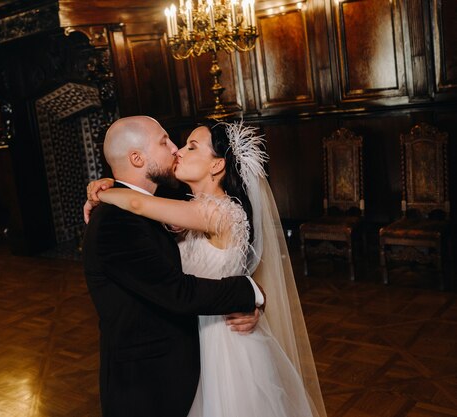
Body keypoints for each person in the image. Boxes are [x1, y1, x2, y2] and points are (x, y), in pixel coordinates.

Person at [86, 119, 327, 417]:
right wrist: (107, 186)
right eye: (168, 142)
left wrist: (102, 192)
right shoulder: (169, 208)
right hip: (161, 367)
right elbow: (177, 285)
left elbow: (139, 204)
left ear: (216, 166)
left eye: (190, 146)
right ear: (137, 158)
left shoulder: (214, 211)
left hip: (219, 345)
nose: (177, 150)